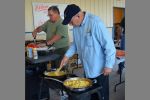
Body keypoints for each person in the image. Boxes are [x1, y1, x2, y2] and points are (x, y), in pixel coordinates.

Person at [60, 4, 116, 100]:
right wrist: (66, 56)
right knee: (92, 95)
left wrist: (109, 65)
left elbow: (109, 45)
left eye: (70, 21)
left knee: (102, 96)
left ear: (78, 15)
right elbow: (75, 44)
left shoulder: (95, 22)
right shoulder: (76, 26)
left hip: (100, 70)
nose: (70, 24)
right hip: (87, 69)